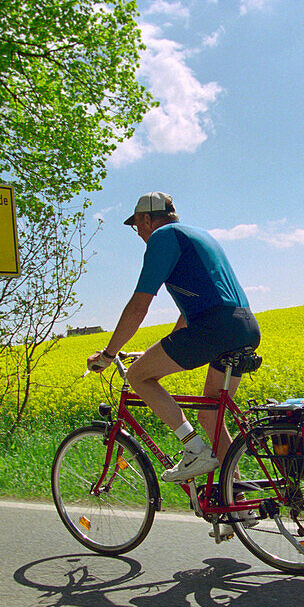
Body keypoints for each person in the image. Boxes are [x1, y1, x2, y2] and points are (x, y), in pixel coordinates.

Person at [87, 192, 261, 483]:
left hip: (214, 328)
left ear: (146, 219)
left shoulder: (163, 237)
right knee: (210, 413)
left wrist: (108, 354)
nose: (139, 232)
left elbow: (139, 305)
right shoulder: (198, 235)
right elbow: (188, 314)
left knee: (139, 376)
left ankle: (193, 449)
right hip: (244, 325)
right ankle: (236, 497)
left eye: (137, 226)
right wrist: (155, 351)